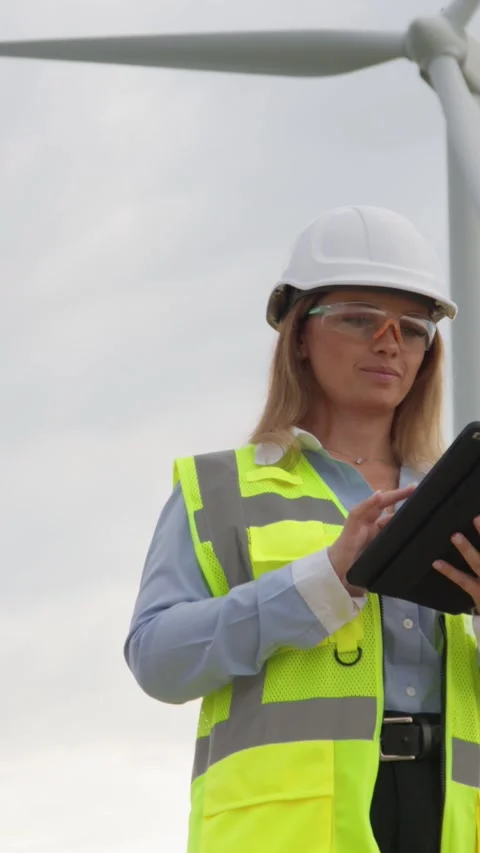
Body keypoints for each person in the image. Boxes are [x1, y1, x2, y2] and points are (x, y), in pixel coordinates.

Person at [124, 206, 480, 853]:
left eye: (415, 327)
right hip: (283, 831)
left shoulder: (460, 496)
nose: (390, 342)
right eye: (359, 318)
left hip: (451, 824)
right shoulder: (219, 492)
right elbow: (157, 659)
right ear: (299, 334)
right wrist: (321, 581)